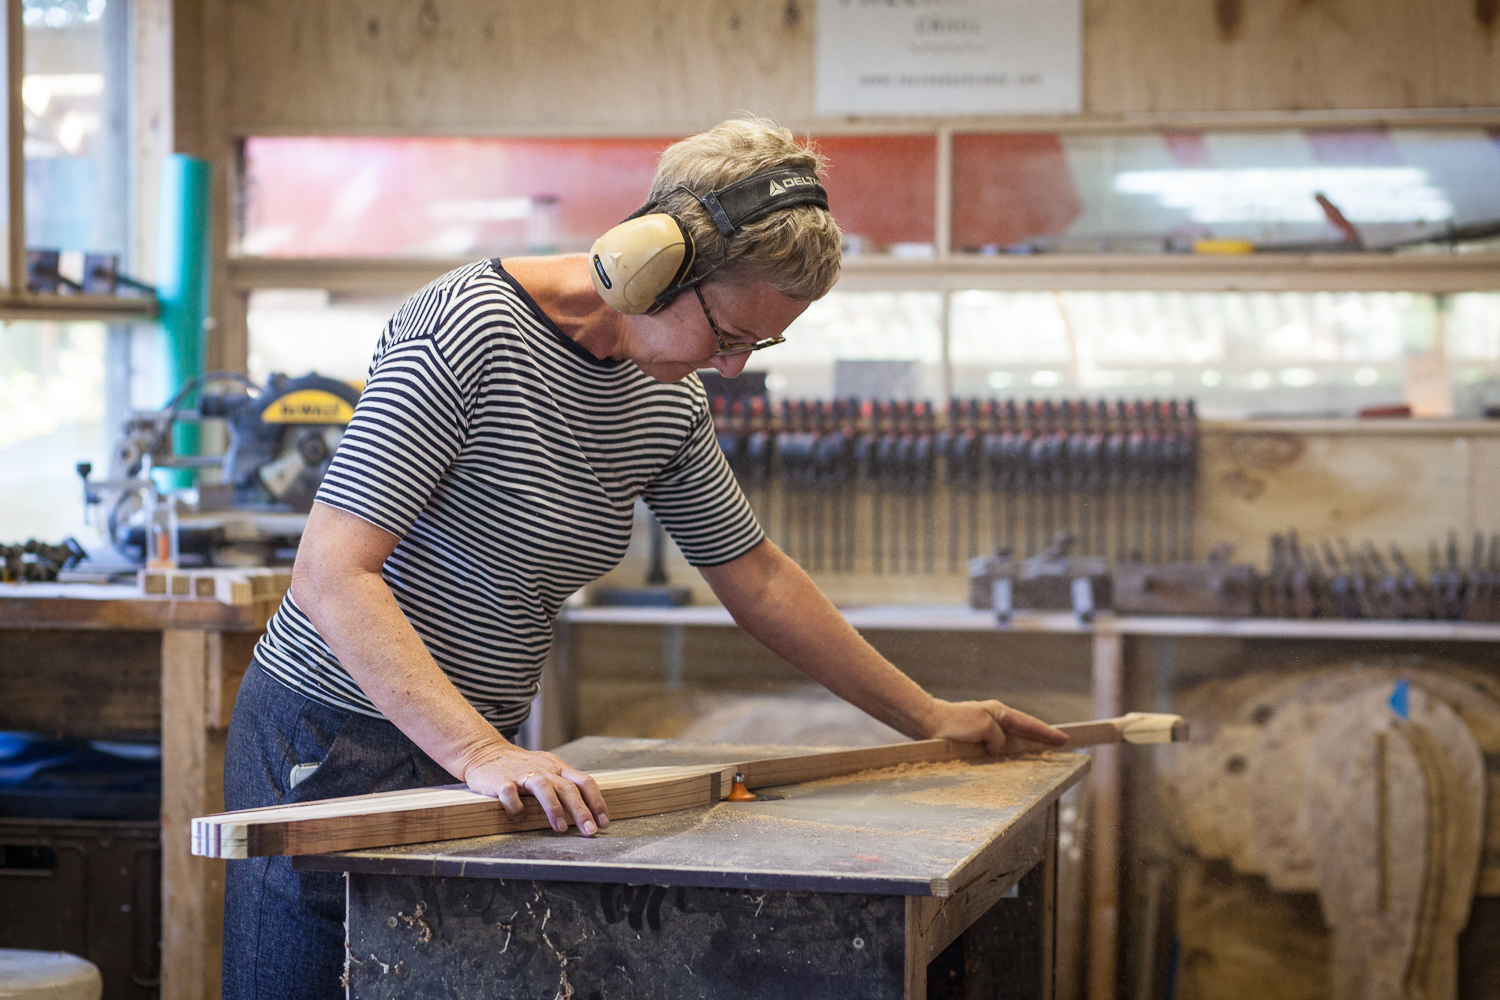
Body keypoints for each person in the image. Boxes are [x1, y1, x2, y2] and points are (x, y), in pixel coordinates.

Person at [221, 116, 1067, 1000]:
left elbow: (760, 578)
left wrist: (926, 716)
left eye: (760, 345)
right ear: (651, 262)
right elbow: (331, 572)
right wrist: (479, 752)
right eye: (729, 333)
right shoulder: (465, 330)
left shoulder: (668, 400)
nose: (734, 366)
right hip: (334, 739)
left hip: (478, 749)